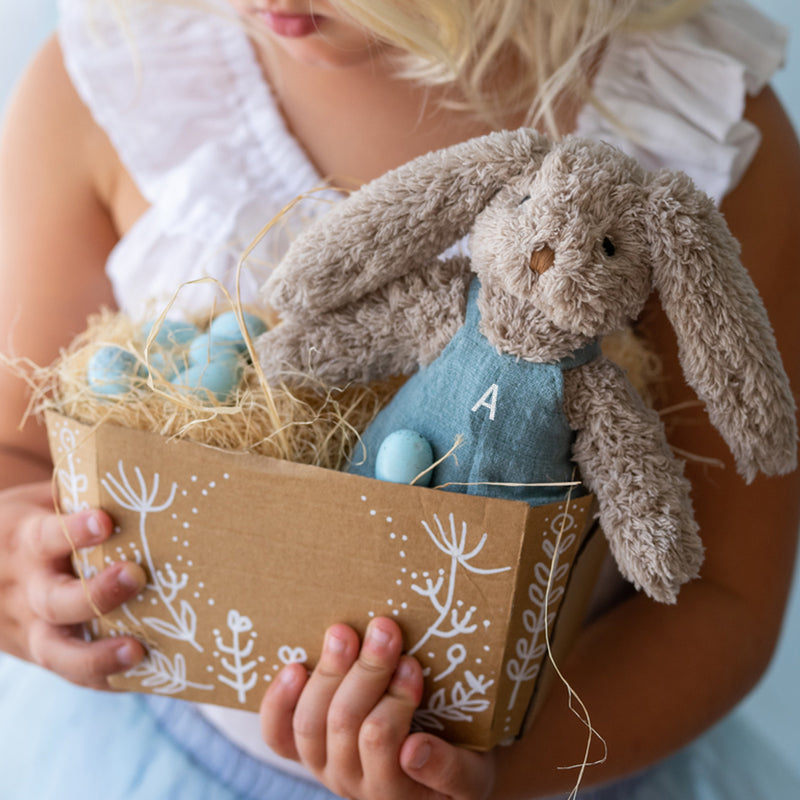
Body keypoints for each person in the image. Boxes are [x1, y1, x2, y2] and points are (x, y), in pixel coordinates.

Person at [0, 0, 798, 798]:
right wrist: (26, 578)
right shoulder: (126, 73)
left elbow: (723, 597)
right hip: (171, 756)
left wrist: (492, 768)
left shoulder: (694, 122)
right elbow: (17, 450)